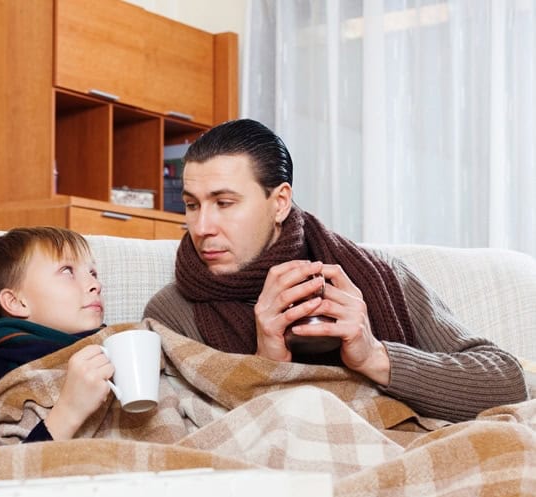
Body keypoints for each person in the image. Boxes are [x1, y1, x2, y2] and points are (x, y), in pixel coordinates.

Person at [144, 118, 527, 422]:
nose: (201, 227)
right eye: (192, 205)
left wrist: (375, 355)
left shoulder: (377, 276)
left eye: (224, 203)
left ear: (279, 203)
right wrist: (266, 365)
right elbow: (187, 430)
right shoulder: (172, 312)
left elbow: (505, 383)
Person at [0, 226, 114, 444]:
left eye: (93, 273)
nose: (96, 285)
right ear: (17, 302)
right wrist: (68, 411)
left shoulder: (115, 343)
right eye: (67, 271)